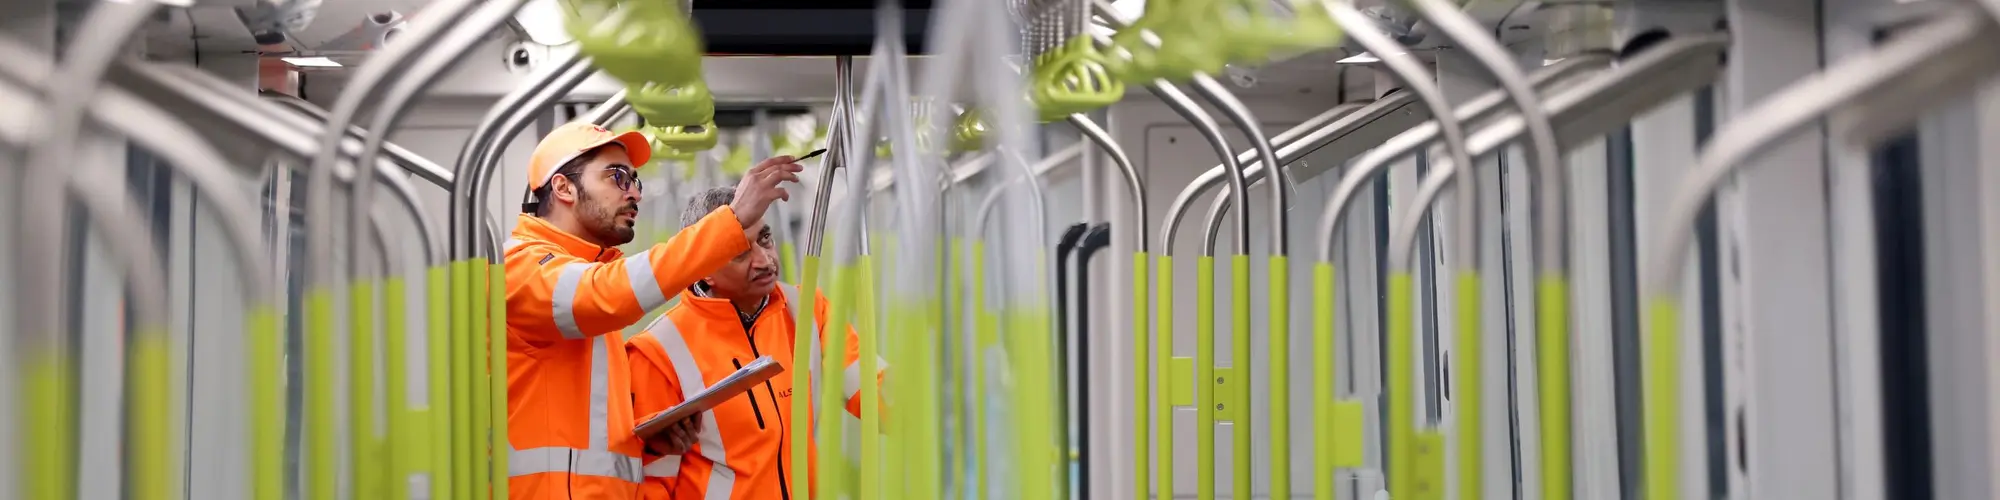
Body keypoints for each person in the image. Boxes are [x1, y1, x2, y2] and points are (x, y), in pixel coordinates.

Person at [504, 121, 805, 500]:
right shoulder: (518, 268)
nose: (634, 193)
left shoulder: (585, 278)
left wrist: (647, 441)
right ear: (563, 187)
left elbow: (580, 439)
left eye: (635, 180)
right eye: (617, 177)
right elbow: (611, 293)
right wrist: (730, 222)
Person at [625, 186, 878, 500]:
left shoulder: (808, 311)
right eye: (740, 252)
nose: (764, 260)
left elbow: (873, 390)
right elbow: (650, 483)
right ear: (702, 271)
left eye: (765, 239)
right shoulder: (658, 351)